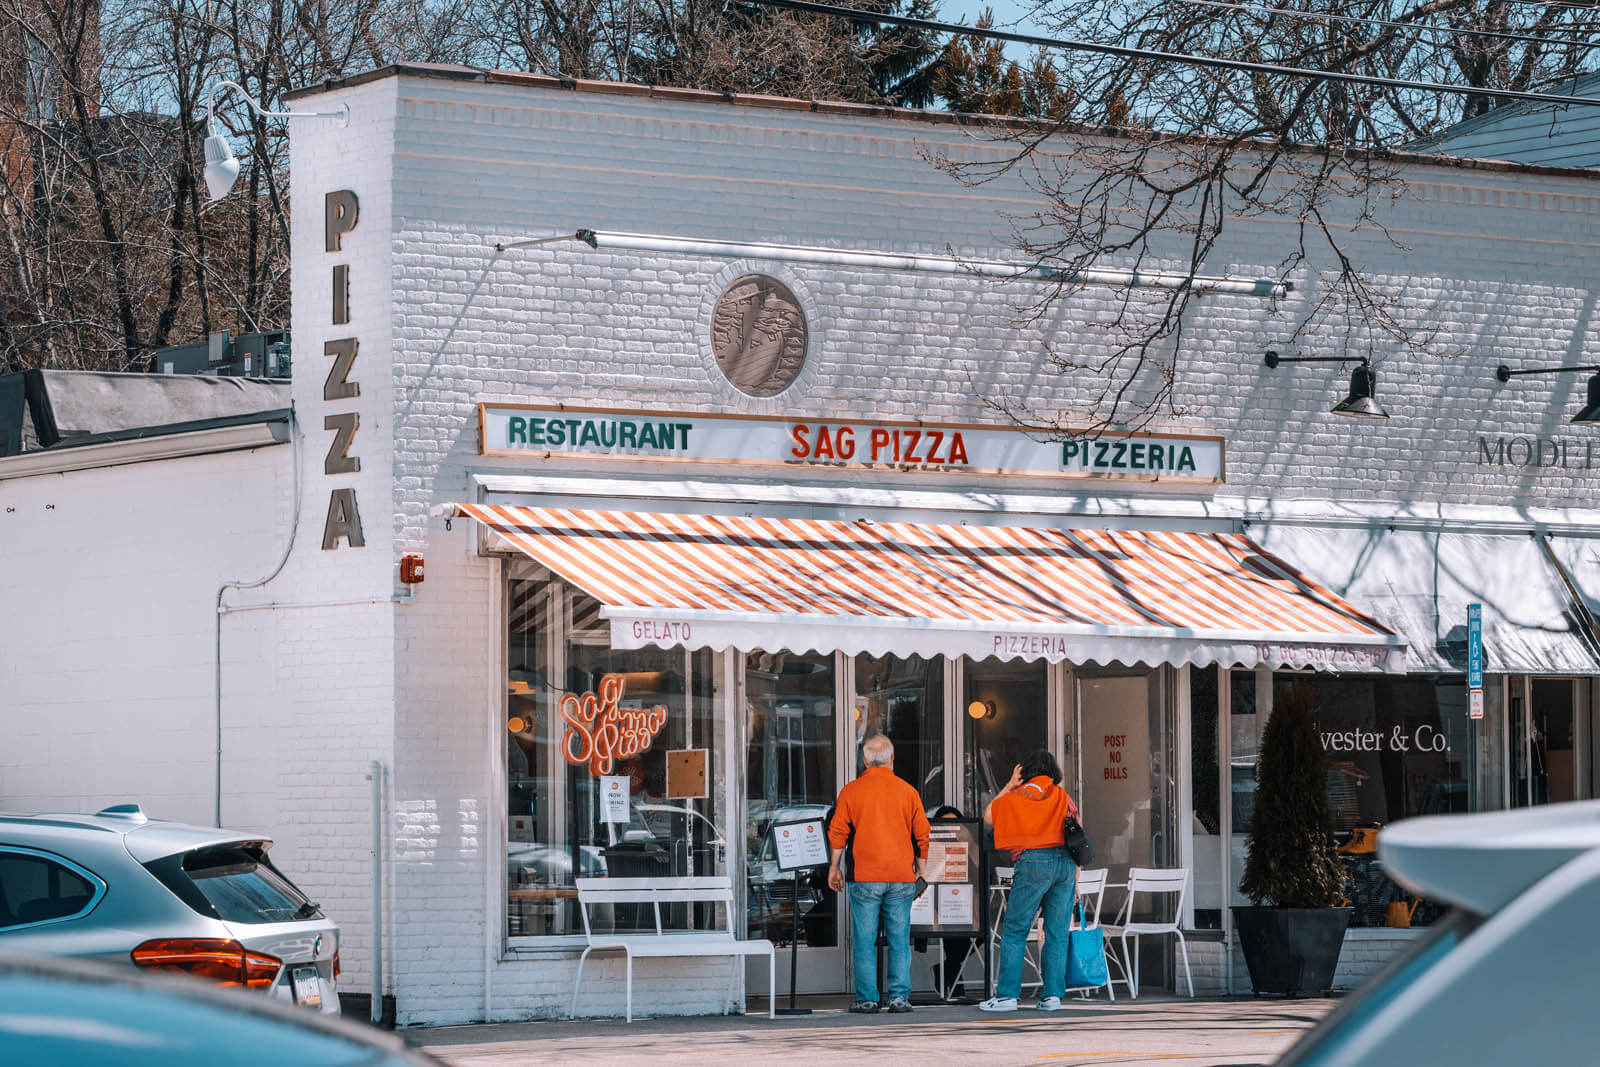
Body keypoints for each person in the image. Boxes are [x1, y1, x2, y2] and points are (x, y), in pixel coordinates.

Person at [827, 734, 931, 1015]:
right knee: (899, 938)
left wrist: (834, 867)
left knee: (864, 940)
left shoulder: (851, 791)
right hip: (900, 875)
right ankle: (899, 998)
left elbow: (838, 832)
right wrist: (921, 868)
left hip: (865, 876)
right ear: (892, 760)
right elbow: (922, 833)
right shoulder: (907, 791)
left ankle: (868, 999)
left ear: (864, 760)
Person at [978, 748, 1078, 1013]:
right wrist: (1076, 882)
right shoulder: (1062, 796)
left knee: (1015, 929)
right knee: (1057, 933)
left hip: (1034, 861)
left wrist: (1010, 784)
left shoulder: (1016, 796)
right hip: (1066, 865)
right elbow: (1076, 837)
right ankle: (1052, 996)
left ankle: (1007, 996)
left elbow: (989, 816)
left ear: (1024, 773)